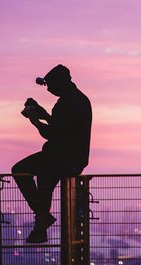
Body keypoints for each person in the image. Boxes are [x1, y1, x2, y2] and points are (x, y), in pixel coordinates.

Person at [12, 64, 92, 243]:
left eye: (50, 85)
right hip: (73, 159)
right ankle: (40, 228)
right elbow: (63, 127)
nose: (48, 89)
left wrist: (35, 121)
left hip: (60, 158)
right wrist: (46, 115)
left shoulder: (65, 103)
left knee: (19, 169)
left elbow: (52, 133)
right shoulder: (79, 99)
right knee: (44, 183)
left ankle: (42, 216)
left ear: (59, 83)